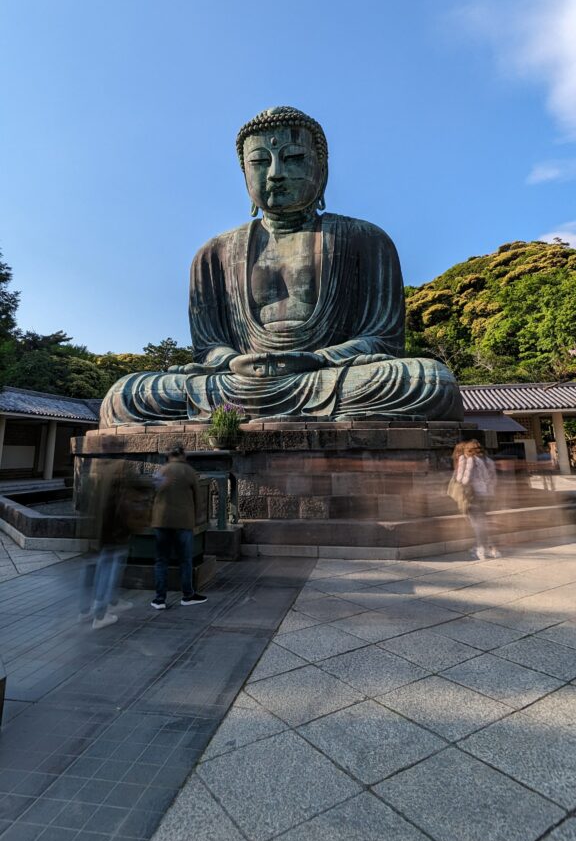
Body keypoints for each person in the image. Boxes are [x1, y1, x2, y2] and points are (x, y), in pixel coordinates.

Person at [100, 106, 463, 425]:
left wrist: (316, 359)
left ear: (321, 170)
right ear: (244, 173)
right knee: (126, 396)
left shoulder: (364, 239)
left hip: (327, 377)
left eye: (292, 159)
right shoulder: (213, 254)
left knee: (429, 382)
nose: (274, 173)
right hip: (238, 382)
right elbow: (209, 348)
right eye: (259, 161)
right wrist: (233, 362)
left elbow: (382, 341)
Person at [80, 441, 154, 629]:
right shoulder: (120, 466)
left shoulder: (95, 466)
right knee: (111, 565)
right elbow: (136, 484)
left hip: (97, 525)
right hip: (116, 525)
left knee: (101, 563)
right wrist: (157, 482)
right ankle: (101, 612)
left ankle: (88, 609)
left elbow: (87, 495)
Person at [150, 446, 207, 609]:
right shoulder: (188, 471)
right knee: (185, 560)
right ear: (183, 455)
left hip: (161, 522)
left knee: (161, 561)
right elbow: (198, 496)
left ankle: (159, 599)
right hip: (183, 522)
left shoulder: (162, 470)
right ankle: (187, 595)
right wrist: (198, 517)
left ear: (169, 456)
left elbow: (153, 492)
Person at [456, 439, 501, 561]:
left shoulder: (469, 460)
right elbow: (492, 479)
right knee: (483, 522)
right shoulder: (487, 461)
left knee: (477, 524)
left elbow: (463, 479)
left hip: (473, 495)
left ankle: (481, 549)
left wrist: (460, 478)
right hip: (486, 495)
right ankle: (492, 548)